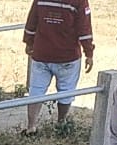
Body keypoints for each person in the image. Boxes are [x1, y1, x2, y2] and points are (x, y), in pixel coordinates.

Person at [21, 0, 94, 134]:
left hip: (41, 53)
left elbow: (32, 20)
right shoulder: (79, 1)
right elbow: (84, 28)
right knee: (66, 91)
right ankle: (61, 124)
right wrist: (89, 52)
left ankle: (31, 127)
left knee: (36, 91)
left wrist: (29, 41)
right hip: (67, 56)